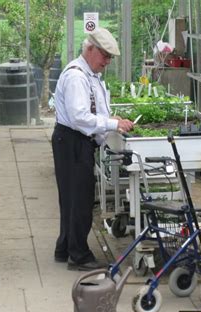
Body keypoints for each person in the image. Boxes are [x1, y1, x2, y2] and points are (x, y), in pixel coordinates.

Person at [52, 27, 134, 271]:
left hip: (71, 140)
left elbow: (90, 110)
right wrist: (111, 124)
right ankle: (79, 256)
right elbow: (79, 117)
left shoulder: (87, 74)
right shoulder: (78, 76)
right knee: (80, 200)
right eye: (105, 56)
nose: (107, 62)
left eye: (110, 57)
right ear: (89, 49)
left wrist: (111, 118)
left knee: (70, 198)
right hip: (74, 141)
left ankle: (65, 248)